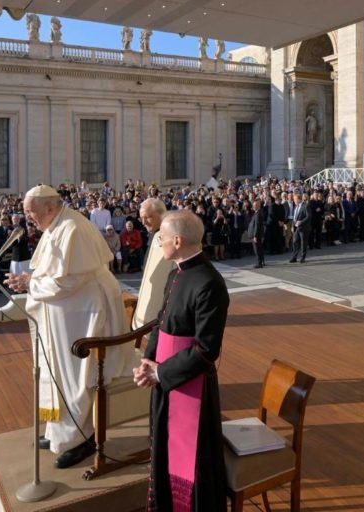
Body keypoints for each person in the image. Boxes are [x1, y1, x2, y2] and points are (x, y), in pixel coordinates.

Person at [4, 184, 134, 469]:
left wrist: (31, 283)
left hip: (84, 315)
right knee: (61, 373)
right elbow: (52, 270)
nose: (28, 218)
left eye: (31, 212)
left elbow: (70, 280)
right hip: (68, 314)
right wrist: (29, 279)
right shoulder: (55, 224)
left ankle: (82, 439)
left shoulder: (72, 227)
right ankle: (59, 432)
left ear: (49, 208)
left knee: (77, 376)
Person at [133, 210, 229, 512]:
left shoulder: (210, 283)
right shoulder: (175, 273)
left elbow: (205, 350)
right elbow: (162, 323)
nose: (158, 240)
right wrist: (149, 362)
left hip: (191, 385)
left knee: (193, 461)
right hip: (166, 378)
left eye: (162, 236)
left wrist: (162, 372)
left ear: (177, 240)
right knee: (163, 448)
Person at [132, 198, 174, 330]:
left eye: (148, 217)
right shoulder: (155, 233)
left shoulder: (173, 235)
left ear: (162, 214)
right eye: (141, 218)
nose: (143, 222)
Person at [289, 192, 310, 264]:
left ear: (299, 199)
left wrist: (301, 221)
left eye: (294, 199)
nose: (293, 201)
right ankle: (294, 257)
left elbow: (308, 216)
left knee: (303, 243)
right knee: (295, 241)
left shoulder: (305, 206)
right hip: (296, 228)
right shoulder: (296, 207)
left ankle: (302, 257)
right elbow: (294, 218)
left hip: (303, 228)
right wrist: (292, 226)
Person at [248, 199, 266, 269]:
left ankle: (259, 263)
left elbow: (257, 226)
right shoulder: (256, 213)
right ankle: (262, 261)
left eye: (255, 205)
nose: (254, 206)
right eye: (253, 205)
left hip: (256, 235)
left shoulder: (258, 214)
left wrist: (255, 235)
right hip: (257, 235)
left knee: (257, 249)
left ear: (258, 206)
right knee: (259, 248)